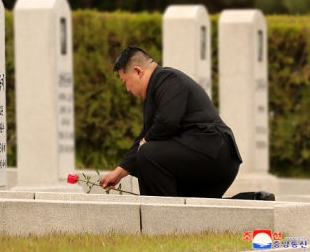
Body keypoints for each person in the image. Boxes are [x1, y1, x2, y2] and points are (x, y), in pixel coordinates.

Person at [100, 45, 275, 201]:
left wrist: (146, 143)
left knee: (148, 153)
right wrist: (119, 172)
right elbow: (146, 135)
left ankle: (161, 218)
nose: (128, 89)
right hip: (207, 155)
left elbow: (167, 122)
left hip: (215, 152)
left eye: (126, 82)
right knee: (193, 205)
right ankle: (255, 201)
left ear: (138, 71)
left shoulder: (167, 79)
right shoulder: (156, 89)